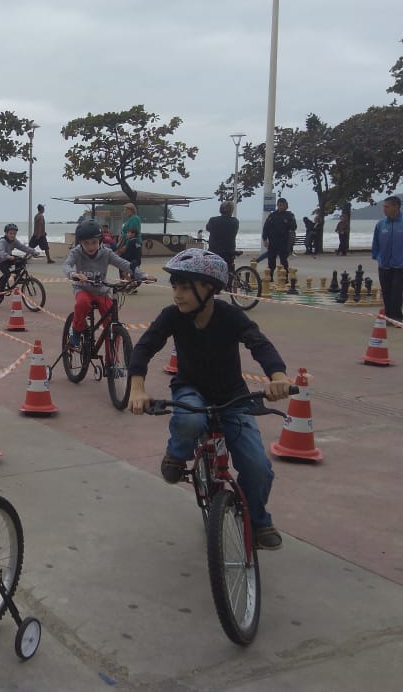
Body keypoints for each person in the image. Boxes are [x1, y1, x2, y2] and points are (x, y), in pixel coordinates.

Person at [126, 248, 292, 550]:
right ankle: (176, 454)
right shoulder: (172, 316)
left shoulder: (230, 315)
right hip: (190, 388)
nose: (177, 294)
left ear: (209, 289)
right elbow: (145, 347)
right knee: (190, 418)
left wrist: (277, 377)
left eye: (185, 287)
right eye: (175, 287)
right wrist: (137, 388)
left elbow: (259, 343)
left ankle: (258, 520)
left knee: (257, 468)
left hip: (233, 396)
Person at [63, 220, 150, 347]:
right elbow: (66, 265)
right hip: (83, 289)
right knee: (82, 303)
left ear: (100, 241)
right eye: (86, 243)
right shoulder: (76, 252)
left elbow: (124, 264)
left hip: (102, 292)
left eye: (94, 242)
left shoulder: (106, 253)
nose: (91, 247)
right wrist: (73, 274)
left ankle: (112, 357)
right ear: (80, 243)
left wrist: (142, 275)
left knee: (111, 325)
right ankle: (76, 331)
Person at [371, 196, 403, 323]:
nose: (384, 209)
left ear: (396, 207)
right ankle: (388, 316)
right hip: (384, 264)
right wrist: (377, 256)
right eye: (384, 206)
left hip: (401, 264)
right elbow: (375, 242)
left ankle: (397, 317)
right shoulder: (381, 224)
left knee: (397, 292)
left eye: (386, 207)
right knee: (386, 292)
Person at [261, 197, 296, 277]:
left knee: (283, 261)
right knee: (271, 261)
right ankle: (270, 277)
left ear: (286, 206)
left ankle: (285, 278)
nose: (281, 207)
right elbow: (266, 228)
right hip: (273, 241)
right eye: (280, 205)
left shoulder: (289, 215)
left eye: (283, 205)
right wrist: (265, 239)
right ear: (277, 205)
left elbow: (294, 227)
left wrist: (287, 223)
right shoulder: (272, 215)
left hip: (284, 242)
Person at [0, 223, 35, 289]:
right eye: (11, 233)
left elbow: (22, 247)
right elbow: (0, 252)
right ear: (6, 233)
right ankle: (0, 289)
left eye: (14, 234)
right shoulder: (2, 242)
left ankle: (17, 277)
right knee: (7, 274)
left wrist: (33, 251)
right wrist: (8, 256)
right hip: (0, 261)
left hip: (8, 259)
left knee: (21, 261)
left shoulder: (14, 241)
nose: (13, 235)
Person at [205, 201, 239, 270]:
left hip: (214, 251)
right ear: (231, 210)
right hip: (229, 251)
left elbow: (208, 229)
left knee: (212, 271)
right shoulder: (235, 221)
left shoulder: (213, 220)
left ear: (220, 209)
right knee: (228, 270)